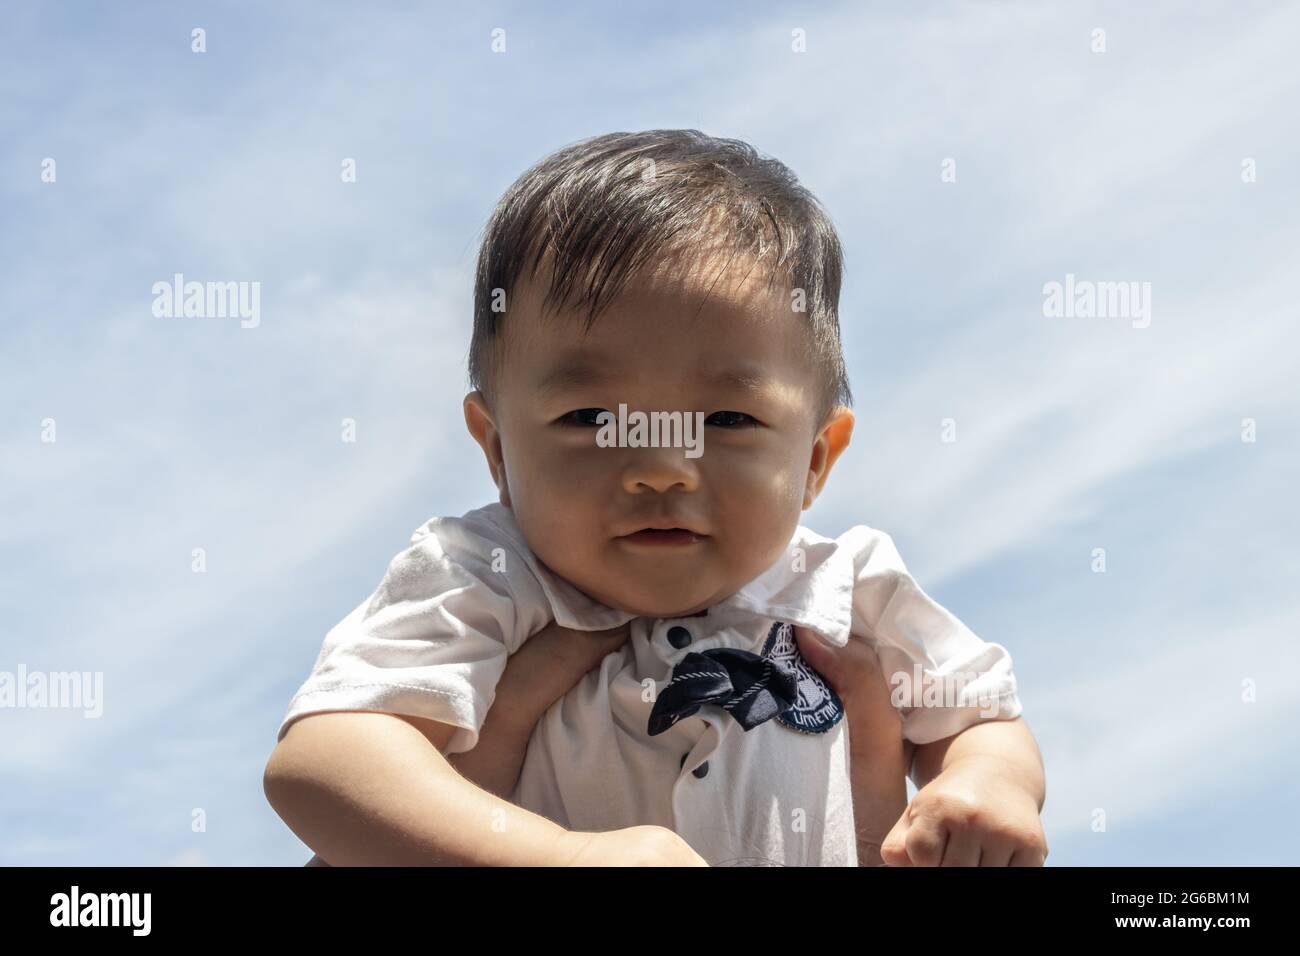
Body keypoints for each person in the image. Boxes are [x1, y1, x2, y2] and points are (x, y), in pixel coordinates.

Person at [265, 129, 1048, 866]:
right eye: (591, 418)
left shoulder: (849, 587)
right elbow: (328, 761)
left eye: (729, 419)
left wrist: (982, 785)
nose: (662, 467)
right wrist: (561, 858)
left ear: (815, 459)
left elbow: (980, 718)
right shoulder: (486, 576)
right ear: (498, 448)